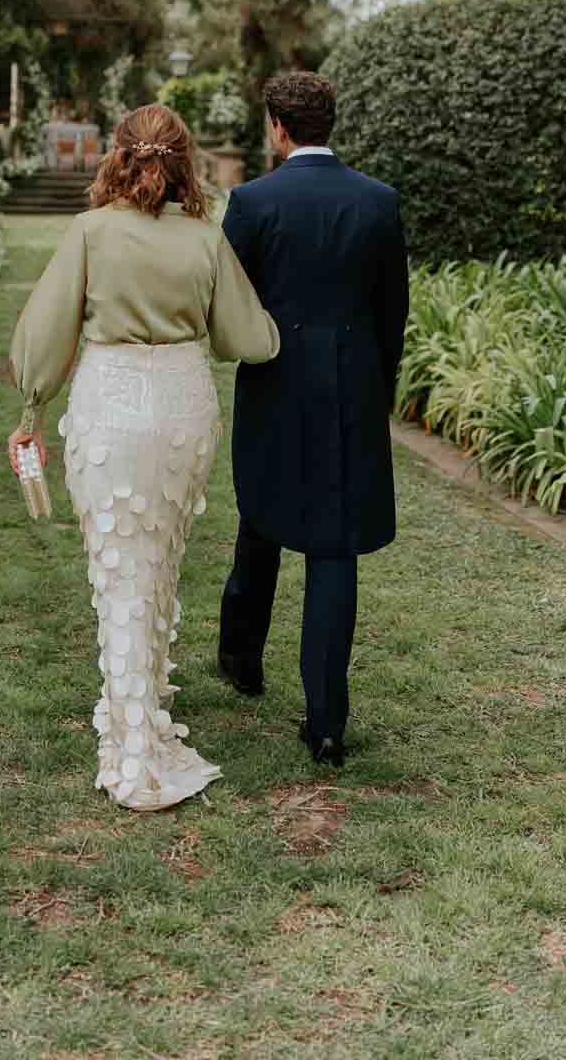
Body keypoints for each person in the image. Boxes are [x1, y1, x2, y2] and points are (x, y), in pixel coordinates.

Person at [8, 104, 279, 812]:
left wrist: (32, 408)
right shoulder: (204, 236)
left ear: (118, 156)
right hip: (184, 407)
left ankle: (134, 741)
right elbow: (245, 338)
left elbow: (46, 332)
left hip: (112, 403)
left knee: (119, 569)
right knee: (158, 559)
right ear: (184, 160)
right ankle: (143, 702)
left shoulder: (91, 230)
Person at [216, 72, 409, 767]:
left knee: (261, 515)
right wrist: (376, 385)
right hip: (351, 387)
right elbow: (392, 312)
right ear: (330, 123)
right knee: (334, 547)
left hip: (274, 382)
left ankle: (241, 660)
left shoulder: (252, 202)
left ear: (277, 126)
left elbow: (227, 304)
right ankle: (326, 723)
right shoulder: (378, 202)